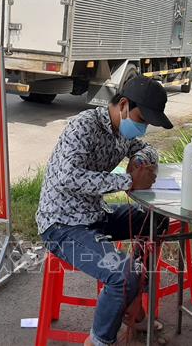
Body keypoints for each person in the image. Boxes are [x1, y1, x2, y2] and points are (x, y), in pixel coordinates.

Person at [37, 76, 173, 346]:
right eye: (141, 119)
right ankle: (99, 340)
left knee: (155, 219)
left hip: (96, 214)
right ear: (123, 105)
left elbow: (148, 149)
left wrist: (139, 160)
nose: (143, 127)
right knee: (124, 276)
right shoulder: (83, 126)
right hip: (62, 225)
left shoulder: (122, 132)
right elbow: (68, 177)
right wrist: (128, 180)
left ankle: (132, 301)